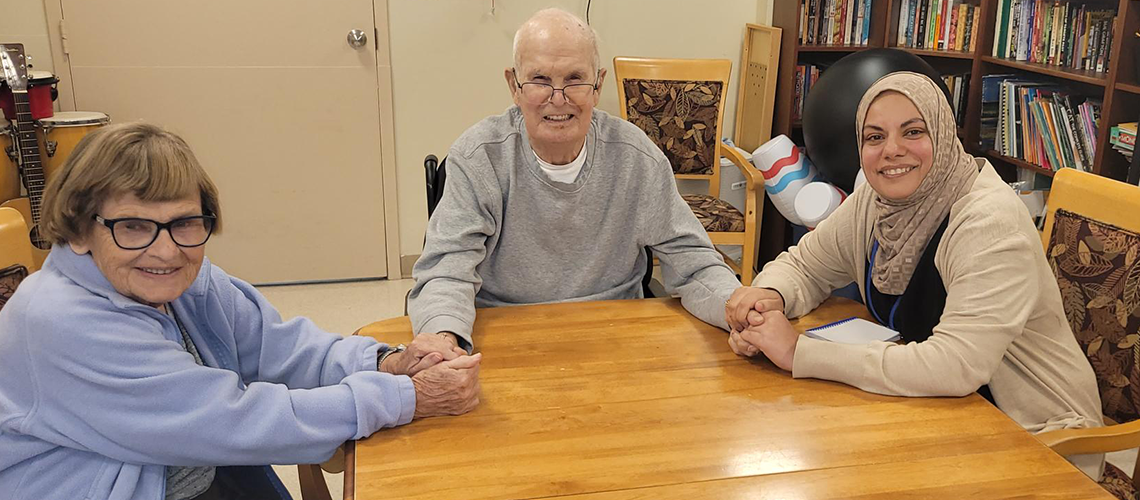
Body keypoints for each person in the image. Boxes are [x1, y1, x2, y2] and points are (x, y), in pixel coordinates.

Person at [0, 122, 481, 500]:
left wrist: (384, 361)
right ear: (80, 230)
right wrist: (405, 397)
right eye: (132, 226)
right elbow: (233, 421)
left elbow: (282, 348)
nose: (165, 251)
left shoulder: (183, 277)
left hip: (198, 470)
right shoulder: (57, 320)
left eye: (185, 223)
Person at [723, 72, 1105, 480]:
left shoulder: (990, 225)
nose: (892, 150)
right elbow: (806, 264)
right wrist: (766, 298)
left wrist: (798, 352)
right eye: (874, 137)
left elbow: (955, 365)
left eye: (913, 131)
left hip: (1037, 440)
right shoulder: (877, 198)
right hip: (935, 414)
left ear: (942, 132)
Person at [408, 8, 741, 351]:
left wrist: (737, 307)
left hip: (618, 334)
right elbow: (446, 271)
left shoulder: (636, 158)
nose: (557, 98)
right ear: (514, 86)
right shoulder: (478, 157)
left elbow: (695, 263)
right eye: (540, 80)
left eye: (573, 80)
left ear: (598, 86)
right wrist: (443, 340)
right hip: (506, 333)